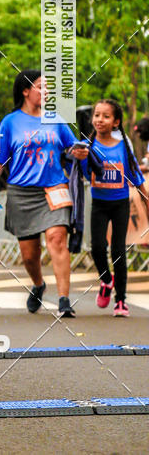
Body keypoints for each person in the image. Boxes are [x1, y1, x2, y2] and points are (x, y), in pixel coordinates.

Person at [0, 70, 87, 318]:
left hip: (55, 188)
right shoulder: (10, 122)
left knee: (56, 239)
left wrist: (78, 152)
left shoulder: (56, 119)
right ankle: (39, 284)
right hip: (21, 192)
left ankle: (64, 300)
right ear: (25, 91)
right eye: (41, 87)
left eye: (47, 87)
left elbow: (71, 147)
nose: (46, 91)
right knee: (30, 255)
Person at [80, 99, 149, 317]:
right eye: (97, 115)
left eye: (106, 116)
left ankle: (121, 301)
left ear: (116, 122)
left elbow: (136, 174)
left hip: (120, 204)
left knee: (118, 251)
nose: (100, 120)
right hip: (99, 204)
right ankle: (106, 280)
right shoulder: (88, 147)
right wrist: (79, 158)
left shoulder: (123, 146)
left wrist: (146, 196)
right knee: (97, 247)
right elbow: (83, 174)